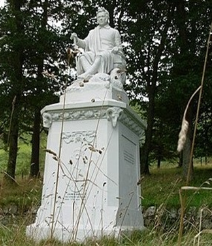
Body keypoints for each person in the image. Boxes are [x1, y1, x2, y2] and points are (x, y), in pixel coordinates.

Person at [71, 7, 126, 80]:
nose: (100, 18)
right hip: (95, 54)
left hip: (109, 54)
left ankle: (88, 74)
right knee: (83, 56)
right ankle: (91, 76)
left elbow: (119, 48)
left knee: (101, 55)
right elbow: (85, 44)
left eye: (102, 16)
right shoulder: (92, 32)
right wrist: (77, 39)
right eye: (99, 17)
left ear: (106, 18)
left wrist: (117, 49)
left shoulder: (114, 32)